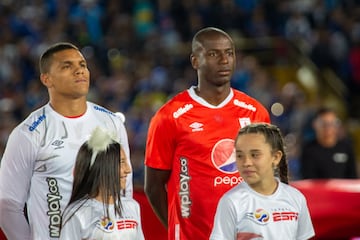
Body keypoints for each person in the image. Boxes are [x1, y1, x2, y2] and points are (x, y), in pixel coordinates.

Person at [144, 27, 270, 240]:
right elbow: (153, 186)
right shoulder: (170, 116)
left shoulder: (255, 112)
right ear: (195, 61)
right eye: (213, 54)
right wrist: (178, 229)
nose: (224, 60)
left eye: (229, 53)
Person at [0, 42, 133, 240]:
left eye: (82, 65)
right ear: (47, 79)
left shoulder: (111, 123)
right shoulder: (29, 133)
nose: (79, 71)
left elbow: (124, 192)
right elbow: (7, 204)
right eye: (67, 66)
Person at [210, 123, 315, 240]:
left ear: (276, 157)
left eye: (255, 155)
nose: (246, 162)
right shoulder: (231, 201)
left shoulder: (296, 198)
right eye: (239, 156)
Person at [60, 127, 144, 240]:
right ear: (104, 166)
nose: (128, 169)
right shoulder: (77, 213)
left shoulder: (132, 206)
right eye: (122, 162)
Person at [300, 107, 358, 179]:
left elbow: (353, 177)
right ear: (315, 125)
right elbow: (308, 178)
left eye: (332, 123)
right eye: (323, 124)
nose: (328, 128)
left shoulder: (346, 147)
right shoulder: (309, 149)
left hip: (342, 189)